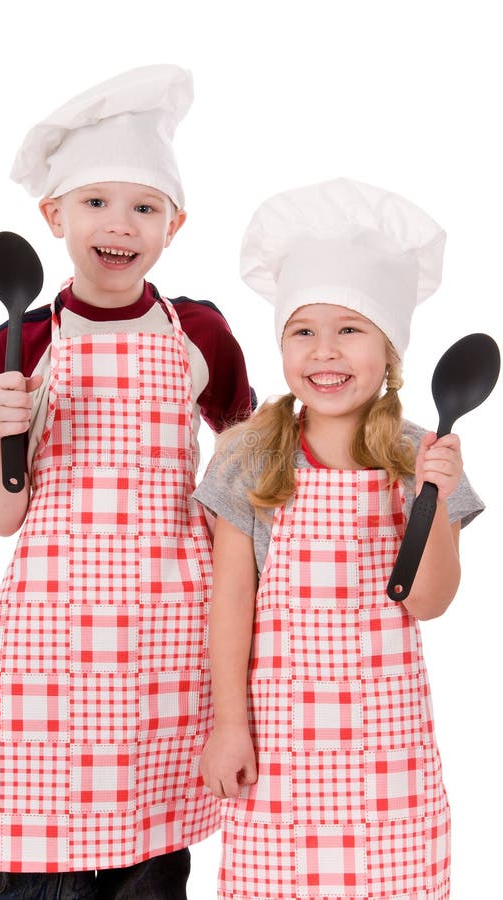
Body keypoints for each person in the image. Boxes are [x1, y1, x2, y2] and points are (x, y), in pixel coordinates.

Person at [0, 64, 253, 900]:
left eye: (144, 207)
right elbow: (0, 515)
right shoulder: (21, 342)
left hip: (168, 633)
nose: (119, 225)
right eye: (94, 203)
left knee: (151, 873)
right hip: (51, 637)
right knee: (40, 873)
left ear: (173, 225)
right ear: (52, 216)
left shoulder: (200, 331)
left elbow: (247, 472)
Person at [195, 178, 484, 900]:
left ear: (389, 349)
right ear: (283, 345)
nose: (325, 352)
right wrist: (230, 724)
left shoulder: (420, 453)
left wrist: (434, 500)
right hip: (279, 742)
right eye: (303, 331)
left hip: (387, 747)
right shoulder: (248, 455)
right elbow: (230, 601)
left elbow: (428, 603)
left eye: (350, 329)